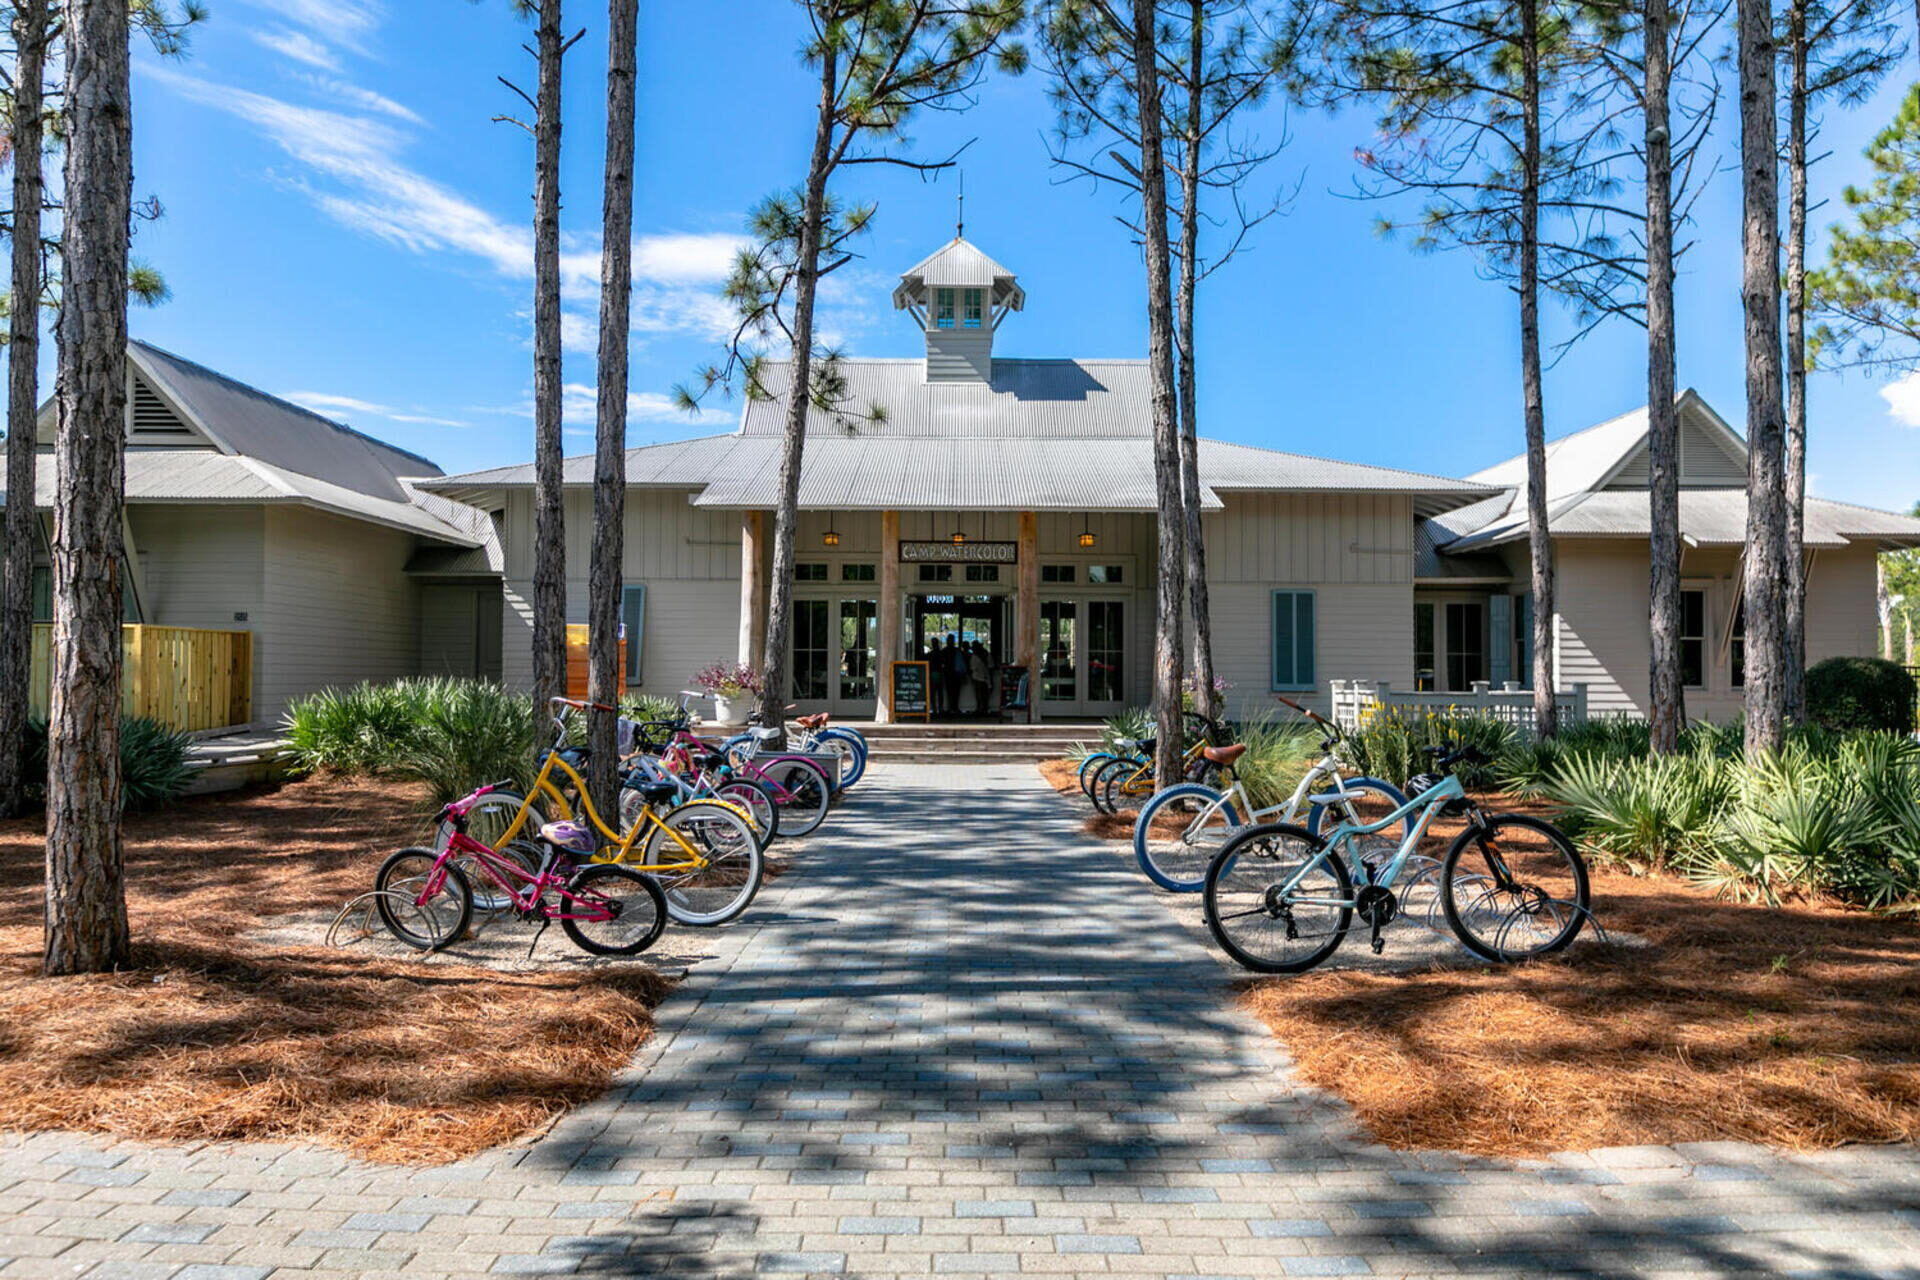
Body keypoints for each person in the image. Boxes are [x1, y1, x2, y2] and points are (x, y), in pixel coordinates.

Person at [969, 642, 992, 716]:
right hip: (986, 678)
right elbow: (991, 666)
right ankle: (984, 709)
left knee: (979, 695)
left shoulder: (974, 657)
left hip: (977, 677)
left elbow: (972, 667)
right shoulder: (987, 654)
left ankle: (980, 709)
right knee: (985, 695)